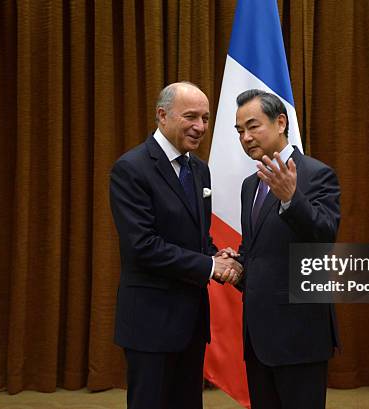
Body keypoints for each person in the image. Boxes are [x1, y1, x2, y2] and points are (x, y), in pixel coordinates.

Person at [109, 81, 242, 409]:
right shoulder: (131, 169)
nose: (200, 127)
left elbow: (197, 238)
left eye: (206, 118)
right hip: (150, 324)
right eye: (191, 117)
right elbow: (143, 246)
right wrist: (211, 266)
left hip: (191, 322)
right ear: (162, 116)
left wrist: (216, 253)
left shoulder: (199, 170)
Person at [233, 89, 341, 409]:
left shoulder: (317, 174)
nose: (246, 137)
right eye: (240, 131)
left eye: (253, 126)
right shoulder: (250, 185)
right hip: (258, 336)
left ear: (280, 123)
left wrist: (291, 200)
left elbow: (324, 238)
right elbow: (258, 251)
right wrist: (236, 263)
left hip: (299, 335)